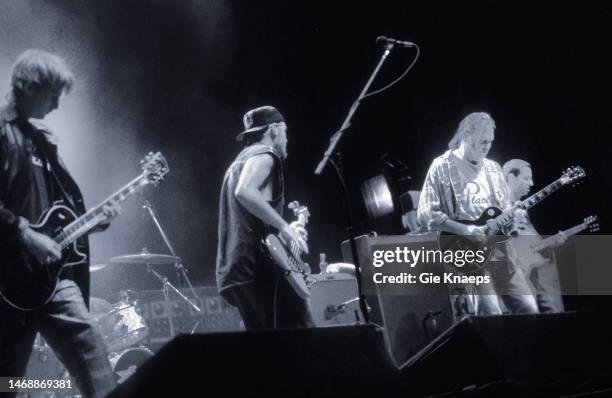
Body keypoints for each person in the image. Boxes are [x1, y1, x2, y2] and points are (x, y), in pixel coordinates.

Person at [0, 49, 119, 397]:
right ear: (29, 86)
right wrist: (23, 233)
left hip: (52, 281)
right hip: (6, 282)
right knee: (6, 382)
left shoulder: (41, 141)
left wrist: (89, 224)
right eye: (52, 95)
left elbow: (57, 209)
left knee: (95, 364)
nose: (56, 105)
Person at [417, 112, 538, 315]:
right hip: (465, 254)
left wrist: (512, 218)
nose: (487, 146)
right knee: (491, 313)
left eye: (490, 142)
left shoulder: (493, 168)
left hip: (500, 252)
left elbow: (502, 210)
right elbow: (426, 214)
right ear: (466, 136)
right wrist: (465, 229)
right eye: (483, 141)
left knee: (530, 309)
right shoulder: (441, 166)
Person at [216, 105, 314, 329]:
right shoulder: (265, 154)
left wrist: (285, 229)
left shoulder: (236, 164)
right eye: (286, 131)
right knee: (300, 336)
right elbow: (245, 191)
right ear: (274, 130)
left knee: (266, 350)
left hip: (237, 269)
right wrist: (285, 227)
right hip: (259, 267)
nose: (287, 138)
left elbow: (251, 215)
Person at [503, 159, 565, 313]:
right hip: (519, 275)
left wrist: (550, 243)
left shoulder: (523, 208)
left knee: (554, 316)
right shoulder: (495, 209)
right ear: (511, 178)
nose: (531, 183)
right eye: (526, 178)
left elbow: (530, 239)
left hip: (541, 270)